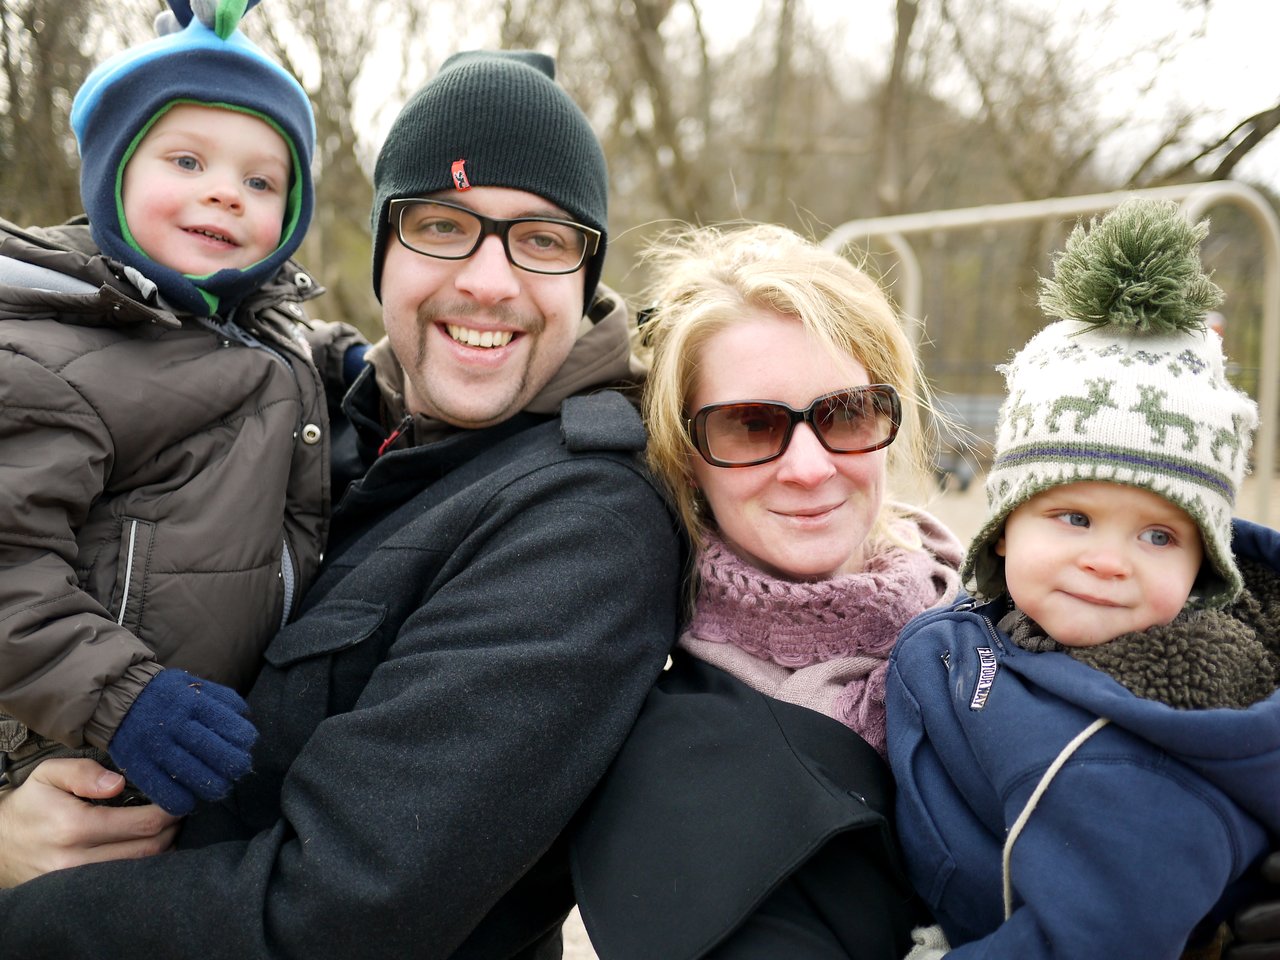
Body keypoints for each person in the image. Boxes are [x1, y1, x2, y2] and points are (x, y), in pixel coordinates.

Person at [0, 49, 681, 958]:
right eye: (442, 225)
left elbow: (340, 911)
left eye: (544, 240)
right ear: (382, 253)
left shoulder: (582, 520)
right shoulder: (324, 414)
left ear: (587, 274)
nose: (488, 280)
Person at [885, 198, 1280, 959]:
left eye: (1160, 535)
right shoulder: (989, 629)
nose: (1108, 559)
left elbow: (1087, 943)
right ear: (1006, 526)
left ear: (1206, 568)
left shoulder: (1141, 751)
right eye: (1073, 517)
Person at [0, 0, 358, 817]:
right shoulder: (48, 357)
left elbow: (286, 341)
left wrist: (350, 360)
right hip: (83, 750)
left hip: (205, 762)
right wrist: (121, 700)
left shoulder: (249, 319)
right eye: (188, 162)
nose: (227, 194)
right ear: (112, 173)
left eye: (261, 180)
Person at [571, 223, 962, 959]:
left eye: (846, 412)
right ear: (688, 460)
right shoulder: (668, 768)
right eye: (751, 426)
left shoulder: (1014, 607)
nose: (810, 468)